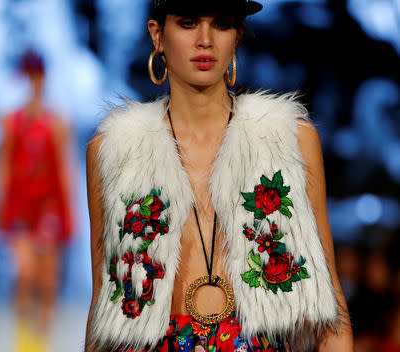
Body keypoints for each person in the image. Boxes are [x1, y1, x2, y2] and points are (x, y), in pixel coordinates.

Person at [85, 1, 354, 351]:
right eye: (188, 22)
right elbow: (105, 307)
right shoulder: (115, 151)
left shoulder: (288, 140)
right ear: (157, 35)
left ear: (237, 36)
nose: (205, 40)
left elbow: (329, 307)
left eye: (222, 24)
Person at [0, 49, 74, 352]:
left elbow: (64, 170)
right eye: (28, 76)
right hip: (20, 207)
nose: (33, 82)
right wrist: (0, 209)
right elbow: (2, 165)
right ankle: (24, 341)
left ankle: (42, 341)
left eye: (37, 76)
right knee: (25, 273)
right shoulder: (10, 121)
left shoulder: (57, 122)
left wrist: (69, 215)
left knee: (47, 280)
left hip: (49, 207)